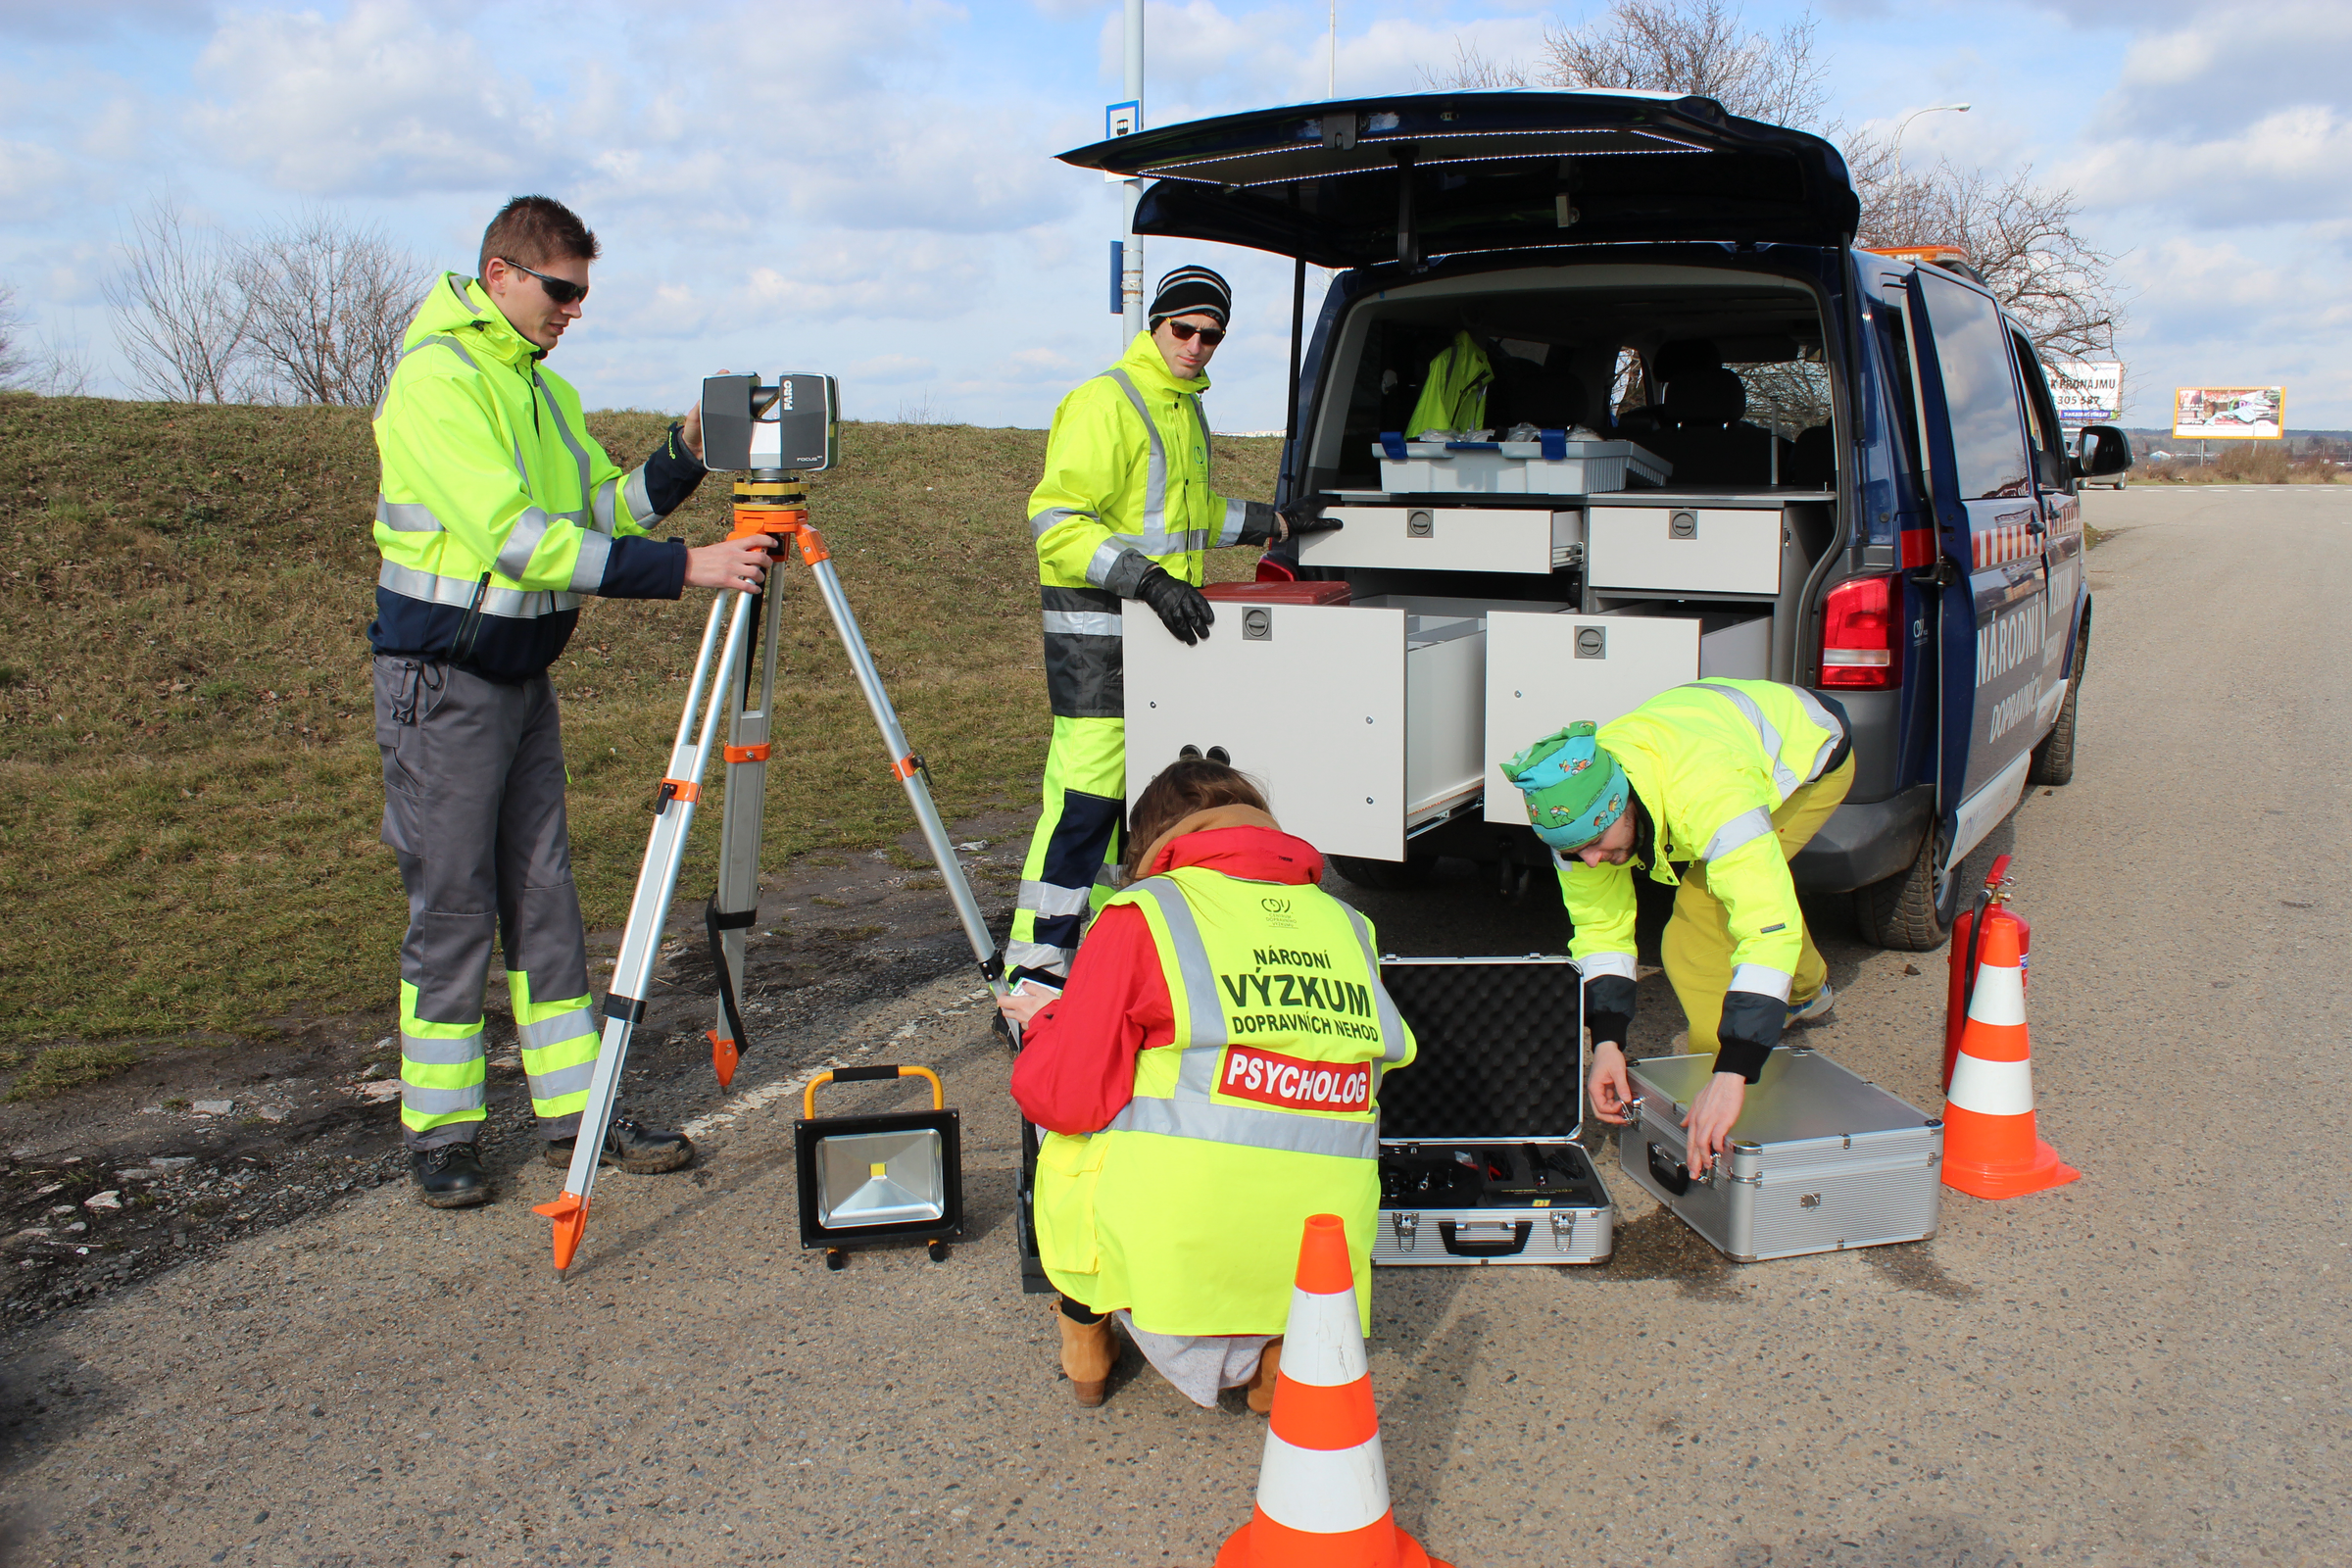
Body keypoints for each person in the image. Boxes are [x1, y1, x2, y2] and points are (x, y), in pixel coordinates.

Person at [370, 195, 778, 1208]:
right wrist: (687, 570)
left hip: (516, 678)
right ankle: (442, 1129)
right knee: (455, 904)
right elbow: (518, 540)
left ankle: (574, 1112)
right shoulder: (440, 381)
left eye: (582, 296)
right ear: (501, 273)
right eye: (562, 291)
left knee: (545, 899)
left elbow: (597, 510)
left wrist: (682, 454)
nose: (573, 312)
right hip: (442, 683)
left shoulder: (537, 391)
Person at [1000, 760, 1415, 1409]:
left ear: (1150, 843)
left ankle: (1085, 1334)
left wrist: (1050, 1022)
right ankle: (1278, 1357)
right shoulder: (1350, 925)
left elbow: (1067, 1095)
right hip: (1321, 1255)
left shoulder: (1146, 911)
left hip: (1184, 1251)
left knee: (1064, 1136)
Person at [1006, 266, 1331, 987]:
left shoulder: (1183, 407)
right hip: (1098, 644)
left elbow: (1192, 512)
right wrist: (1146, 580)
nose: (1195, 346)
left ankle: (1091, 961)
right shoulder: (1107, 401)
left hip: (1161, 641)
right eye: (1183, 330)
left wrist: (1273, 523)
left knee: (1139, 804)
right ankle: (1033, 978)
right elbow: (1056, 524)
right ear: (1154, 324)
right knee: (1084, 808)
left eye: (1211, 337)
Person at [1501, 678, 1855, 1177]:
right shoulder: (1577, 821)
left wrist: (1732, 1069)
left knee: (1701, 923)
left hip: (1812, 753)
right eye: (1576, 852)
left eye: (1600, 842)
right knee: (1750, 887)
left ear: (1623, 802)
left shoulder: (1711, 800)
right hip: (1711, 737)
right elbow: (1602, 931)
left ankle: (1723, 1102)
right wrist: (1606, 1046)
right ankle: (1806, 990)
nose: (1593, 861)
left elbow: (1767, 926)